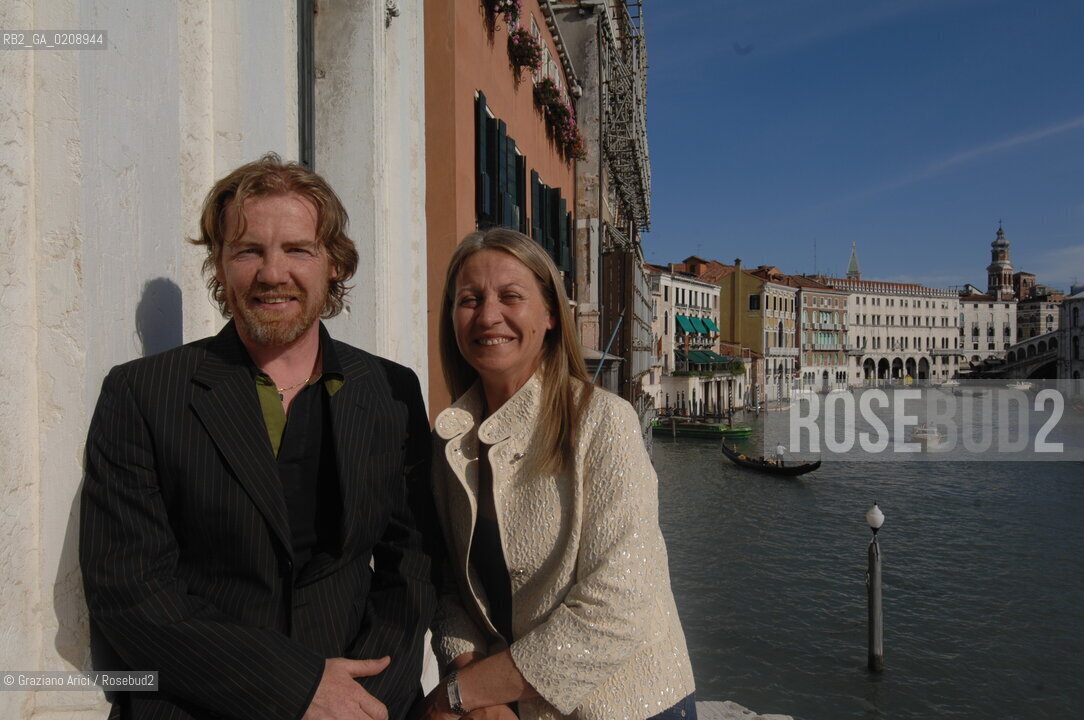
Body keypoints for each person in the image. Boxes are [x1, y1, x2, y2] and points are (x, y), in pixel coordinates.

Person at [80, 154, 436, 720]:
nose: (273, 273)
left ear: (334, 265)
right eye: (248, 250)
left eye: (298, 249)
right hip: (197, 705)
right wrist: (297, 690)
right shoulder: (142, 394)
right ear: (219, 267)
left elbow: (412, 564)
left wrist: (365, 701)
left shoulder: (390, 390)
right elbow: (131, 595)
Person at [415, 228, 696, 720]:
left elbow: (618, 605)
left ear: (549, 316)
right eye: (469, 299)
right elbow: (451, 589)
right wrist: (479, 688)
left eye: (510, 297)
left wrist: (462, 693)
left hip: (630, 707)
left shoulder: (604, 422)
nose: (487, 315)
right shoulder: (450, 442)